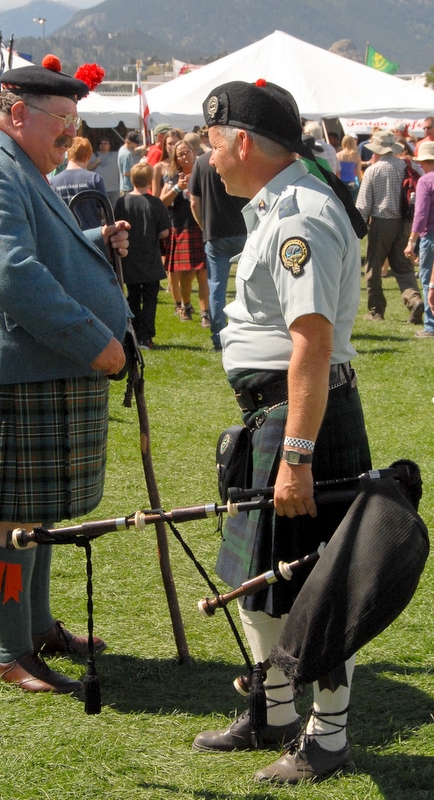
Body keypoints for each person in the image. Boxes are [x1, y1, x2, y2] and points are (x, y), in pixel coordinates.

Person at [0, 57, 131, 696]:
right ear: (18, 113)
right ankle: (7, 649)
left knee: (35, 514)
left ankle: (36, 627)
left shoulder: (16, 163)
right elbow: (12, 275)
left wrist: (95, 237)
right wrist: (96, 342)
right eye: (61, 120)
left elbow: (40, 246)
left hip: (27, 370)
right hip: (7, 372)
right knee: (9, 522)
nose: (70, 133)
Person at [191, 79, 372, 785]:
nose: (206, 159)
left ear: (241, 142)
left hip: (305, 423)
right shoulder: (276, 208)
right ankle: (272, 708)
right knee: (257, 578)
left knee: (316, 583)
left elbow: (312, 347)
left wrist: (295, 456)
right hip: (272, 417)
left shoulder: (299, 218)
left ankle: (327, 737)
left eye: (211, 144)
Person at [356, 130, 424, 323]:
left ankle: (376, 310)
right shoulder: (406, 166)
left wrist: (356, 230)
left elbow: (363, 205)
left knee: (374, 268)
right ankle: (414, 300)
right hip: (405, 222)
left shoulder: (373, 170)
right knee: (403, 268)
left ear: (376, 149)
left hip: (381, 222)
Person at [190, 149, 247, 350]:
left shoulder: (201, 162)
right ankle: (250, 332)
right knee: (252, 284)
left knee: (216, 288)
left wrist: (204, 227)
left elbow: (194, 201)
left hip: (215, 232)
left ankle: (218, 337)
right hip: (244, 229)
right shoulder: (238, 156)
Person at [114, 162, 169, 349]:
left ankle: (134, 333)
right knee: (150, 299)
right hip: (151, 258)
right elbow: (164, 232)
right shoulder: (155, 203)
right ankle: (147, 336)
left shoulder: (122, 202)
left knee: (133, 297)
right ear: (150, 179)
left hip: (129, 258)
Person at [160, 139, 209, 324]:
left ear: (193, 152)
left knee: (203, 273)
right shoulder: (173, 177)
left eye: (187, 152)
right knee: (187, 274)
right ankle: (186, 306)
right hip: (181, 227)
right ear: (176, 159)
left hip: (201, 226)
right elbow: (162, 203)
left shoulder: (201, 172)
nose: (185, 156)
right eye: (180, 154)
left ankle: (205, 313)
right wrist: (177, 187)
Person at [404, 139, 434, 337]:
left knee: (427, 280)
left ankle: (430, 325)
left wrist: (411, 241)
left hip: (430, 236)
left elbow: (421, 214)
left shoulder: (425, 181)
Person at [50, 136, 107, 229]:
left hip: (66, 235)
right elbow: (105, 211)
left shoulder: (53, 182)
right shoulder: (94, 178)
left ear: (68, 155)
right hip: (91, 235)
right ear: (86, 157)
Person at [88, 137, 120, 207]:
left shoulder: (116, 155)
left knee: (114, 211)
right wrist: (96, 162)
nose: (103, 145)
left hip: (114, 189)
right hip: (99, 189)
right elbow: (87, 169)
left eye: (105, 143)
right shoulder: (93, 155)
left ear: (109, 146)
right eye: (101, 143)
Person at [336, 135, 361, 200]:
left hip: (341, 182)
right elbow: (358, 172)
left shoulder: (338, 155)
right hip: (352, 182)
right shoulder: (356, 155)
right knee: (352, 203)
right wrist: (359, 182)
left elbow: (337, 171)